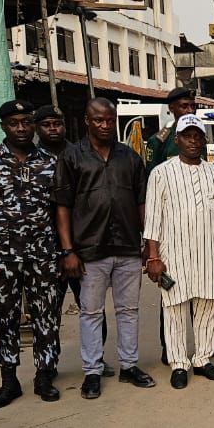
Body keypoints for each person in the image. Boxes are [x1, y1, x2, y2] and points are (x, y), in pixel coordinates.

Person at [54, 97, 155, 399]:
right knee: (91, 312)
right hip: (89, 250)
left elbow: (141, 204)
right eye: (98, 120)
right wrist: (68, 250)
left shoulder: (130, 157)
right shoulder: (72, 157)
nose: (105, 125)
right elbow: (62, 207)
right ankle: (92, 372)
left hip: (126, 246)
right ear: (87, 120)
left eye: (110, 120)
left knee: (128, 310)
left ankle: (129, 365)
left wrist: (147, 244)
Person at [0, 100, 62, 408]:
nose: (21, 128)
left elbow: (60, 209)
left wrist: (64, 250)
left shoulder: (49, 161)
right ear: (3, 126)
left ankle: (44, 375)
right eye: (14, 123)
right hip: (1, 257)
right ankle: (9, 381)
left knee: (47, 316)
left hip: (43, 254)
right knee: (4, 317)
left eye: (26, 122)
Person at [143, 115, 214, 389]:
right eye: (188, 136)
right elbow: (153, 219)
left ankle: (202, 359)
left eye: (199, 136)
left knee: (208, 306)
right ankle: (178, 364)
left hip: (211, 254)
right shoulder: (161, 173)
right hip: (174, 254)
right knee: (174, 308)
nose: (194, 141)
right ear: (177, 139)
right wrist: (153, 256)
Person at [35, 103, 114, 379]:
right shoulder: (31, 159)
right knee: (48, 312)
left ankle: (97, 360)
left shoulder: (80, 154)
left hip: (82, 248)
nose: (53, 128)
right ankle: (48, 366)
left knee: (93, 309)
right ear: (38, 128)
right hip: (44, 250)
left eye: (57, 123)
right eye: (46, 124)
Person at [145, 85, 195, 172]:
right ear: (171, 108)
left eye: (193, 106)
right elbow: (152, 177)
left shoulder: (200, 138)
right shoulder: (158, 141)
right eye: (184, 106)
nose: (190, 111)